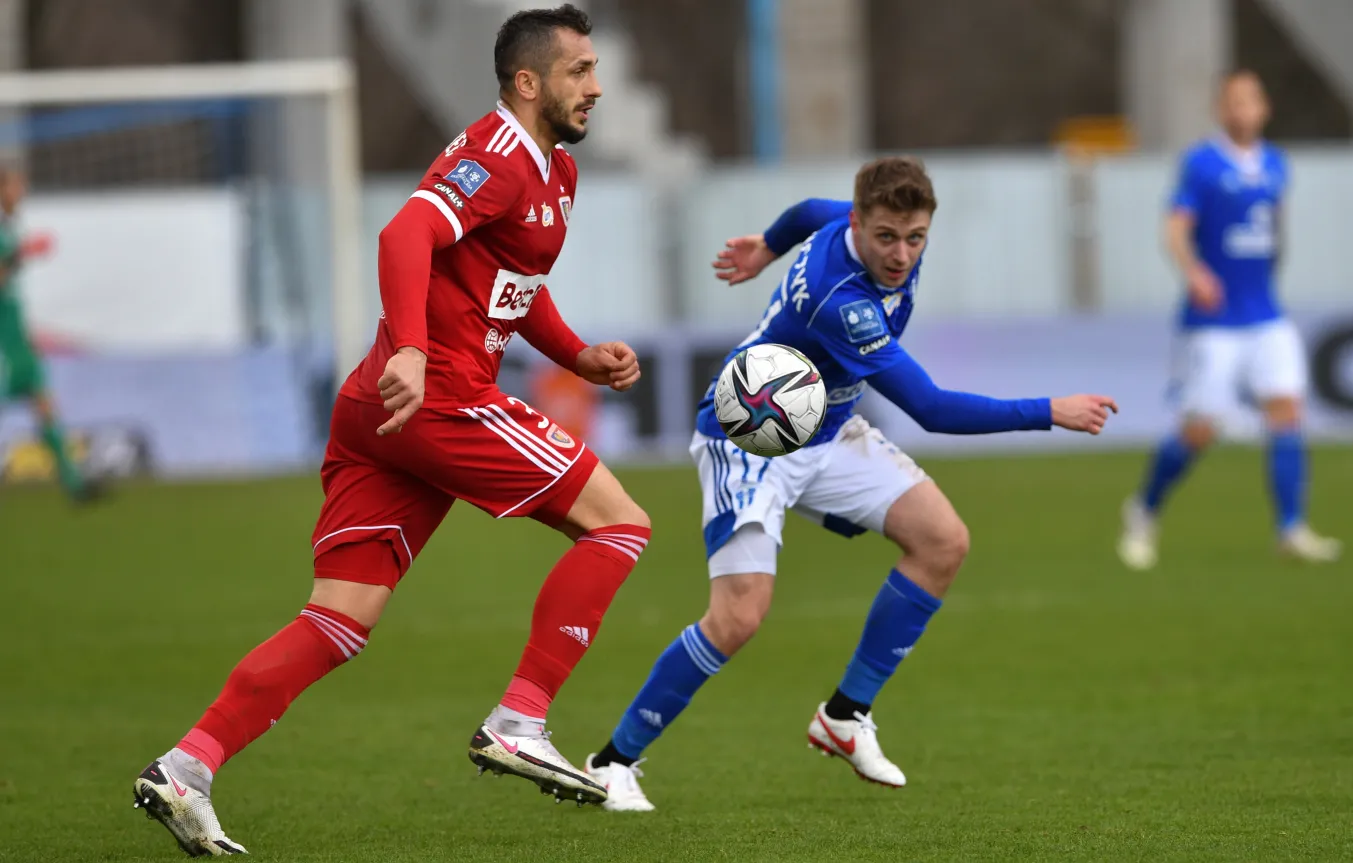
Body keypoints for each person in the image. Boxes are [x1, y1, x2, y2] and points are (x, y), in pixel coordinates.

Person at [133, 5, 650, 855]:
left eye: (595, 69)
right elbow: (406, 230)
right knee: (622, 523)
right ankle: (521, 717)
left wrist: (578, 354)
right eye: (579, 72)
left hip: (379, 410)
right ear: (528, 82)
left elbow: (512, 283)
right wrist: (411, 347)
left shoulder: (555, 174)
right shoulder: (497, 156)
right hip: (434, 397)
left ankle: (187, 765)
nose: (597, 86)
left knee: (339, 618)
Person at [582, 157, 1118, 811]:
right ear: (861, 224)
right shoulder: (844, 302)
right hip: (754, 438)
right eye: (888, 237)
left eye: (915, 237)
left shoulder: (853, 220)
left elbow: (811, 207)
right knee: (739, 615)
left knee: (942, 540)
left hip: (828, 429)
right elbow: (933, 409)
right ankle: (612, 761)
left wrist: (764, 248)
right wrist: (1048, 410)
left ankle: (844, 715)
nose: (901, 254)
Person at [1117, 69, 1340, 571]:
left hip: (1266, 314)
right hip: (1213, 321)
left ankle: (1291, 528)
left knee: (1287, 413)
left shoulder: (1278, 165)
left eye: (1250, 101)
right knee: (1202, 430)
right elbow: (1174, 229)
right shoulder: (1202, 163)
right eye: (1233, 102)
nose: (1242, 110)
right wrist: (1194, 272)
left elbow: (1276, 231)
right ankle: (1144, 509)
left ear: (1264, 109)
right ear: (1222, 110)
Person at [0, 169, 93, 501]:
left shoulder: (8, 228)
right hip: (3, 344)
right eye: (15, 185)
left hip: (15, 340)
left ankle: (73, 482)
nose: (21, 191)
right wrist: (22, 253)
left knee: (43, 400)